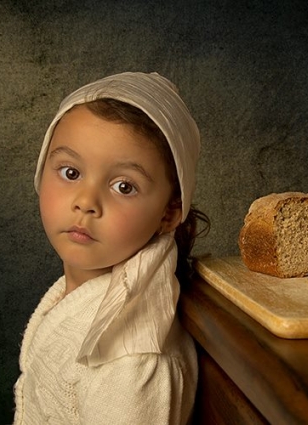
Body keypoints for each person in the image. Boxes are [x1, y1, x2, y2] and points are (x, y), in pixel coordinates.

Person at [13, 72, 209, 424]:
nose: (87, 202)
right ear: (41, 172)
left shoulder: (131, 363)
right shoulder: (74, 299)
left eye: (123, 186)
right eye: (70, 173)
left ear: (169, 213)